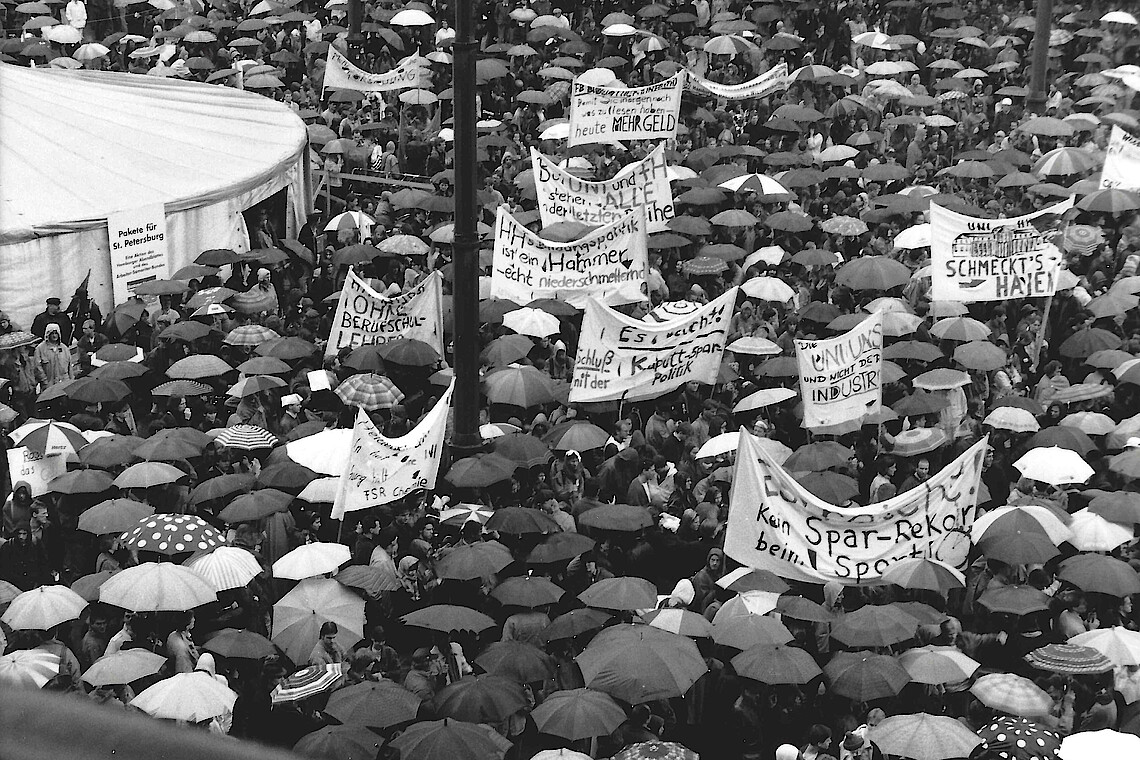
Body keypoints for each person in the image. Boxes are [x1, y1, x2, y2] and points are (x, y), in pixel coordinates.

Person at [34, 323, 72, 388]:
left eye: (56, 333)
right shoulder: (40, 349)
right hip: (49, 385)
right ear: (48, 334)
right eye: (52, 333)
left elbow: (69, 366)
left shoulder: (64, 348)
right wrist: (45, 381)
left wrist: (71, 381)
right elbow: (37, 367)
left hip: (64, 383)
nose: (54, 336)